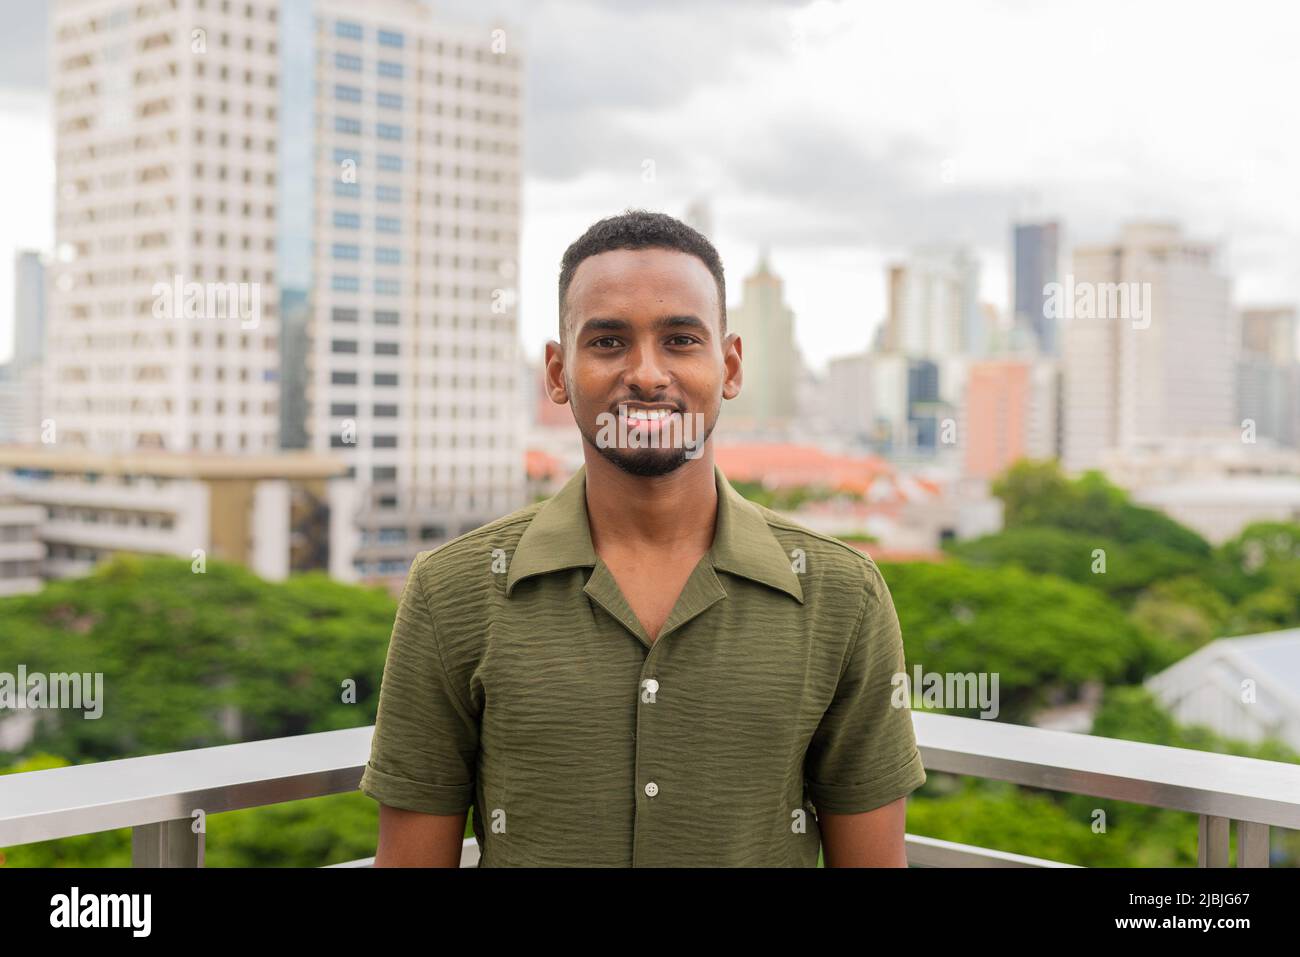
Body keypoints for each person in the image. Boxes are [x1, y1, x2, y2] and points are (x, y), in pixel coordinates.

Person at [360, 209, 925, 866]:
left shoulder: (841, 595)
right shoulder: (453, 590)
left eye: (681, 339)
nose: (648, 374)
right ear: (555, 371)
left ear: (731, 365)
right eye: (607, 342)